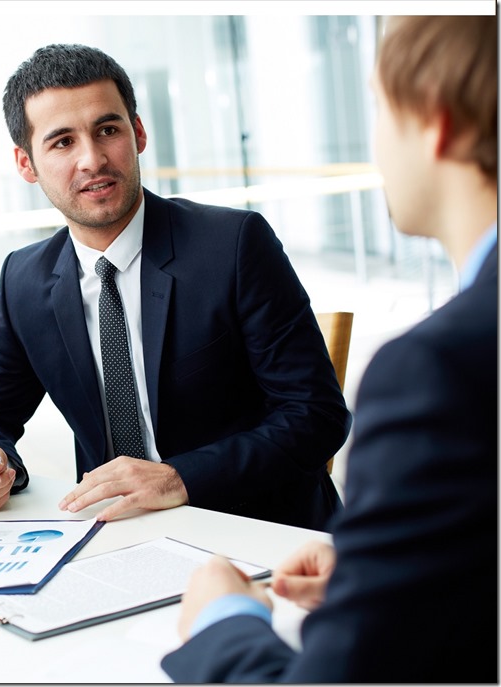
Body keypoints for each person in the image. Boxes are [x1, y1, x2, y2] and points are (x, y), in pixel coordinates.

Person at [162, 15, 497, 682]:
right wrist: (396, 564)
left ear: (437, 122)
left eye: (379, 107)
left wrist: (221, 618)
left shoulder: (436, 370)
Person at [0, 44, 350, 530]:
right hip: (120, 536)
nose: (92, 159)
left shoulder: (235, 245)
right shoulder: (24, 279)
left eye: (108, 130)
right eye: (62, 142)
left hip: (260, 530)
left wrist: (179, 477)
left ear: (138, 133)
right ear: (26, 163)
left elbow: (316, 415)